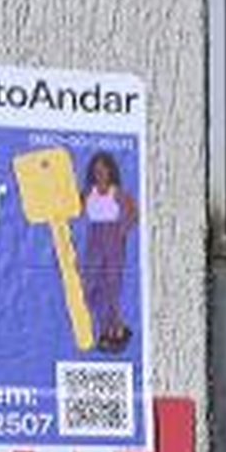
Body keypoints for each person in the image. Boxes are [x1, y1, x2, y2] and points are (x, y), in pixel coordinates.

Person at [77, 151, 135, 352]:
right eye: (97, 170)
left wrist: (122, 230)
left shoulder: (116, 192)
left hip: (112, 236)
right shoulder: (87, 192)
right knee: (91, 285)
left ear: (111, 171)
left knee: (111, 285)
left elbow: (132, 211)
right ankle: (113, 326)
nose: (100, 173)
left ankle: (110, 332)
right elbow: (75, 210)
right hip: (94, 235)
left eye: (104, 170)